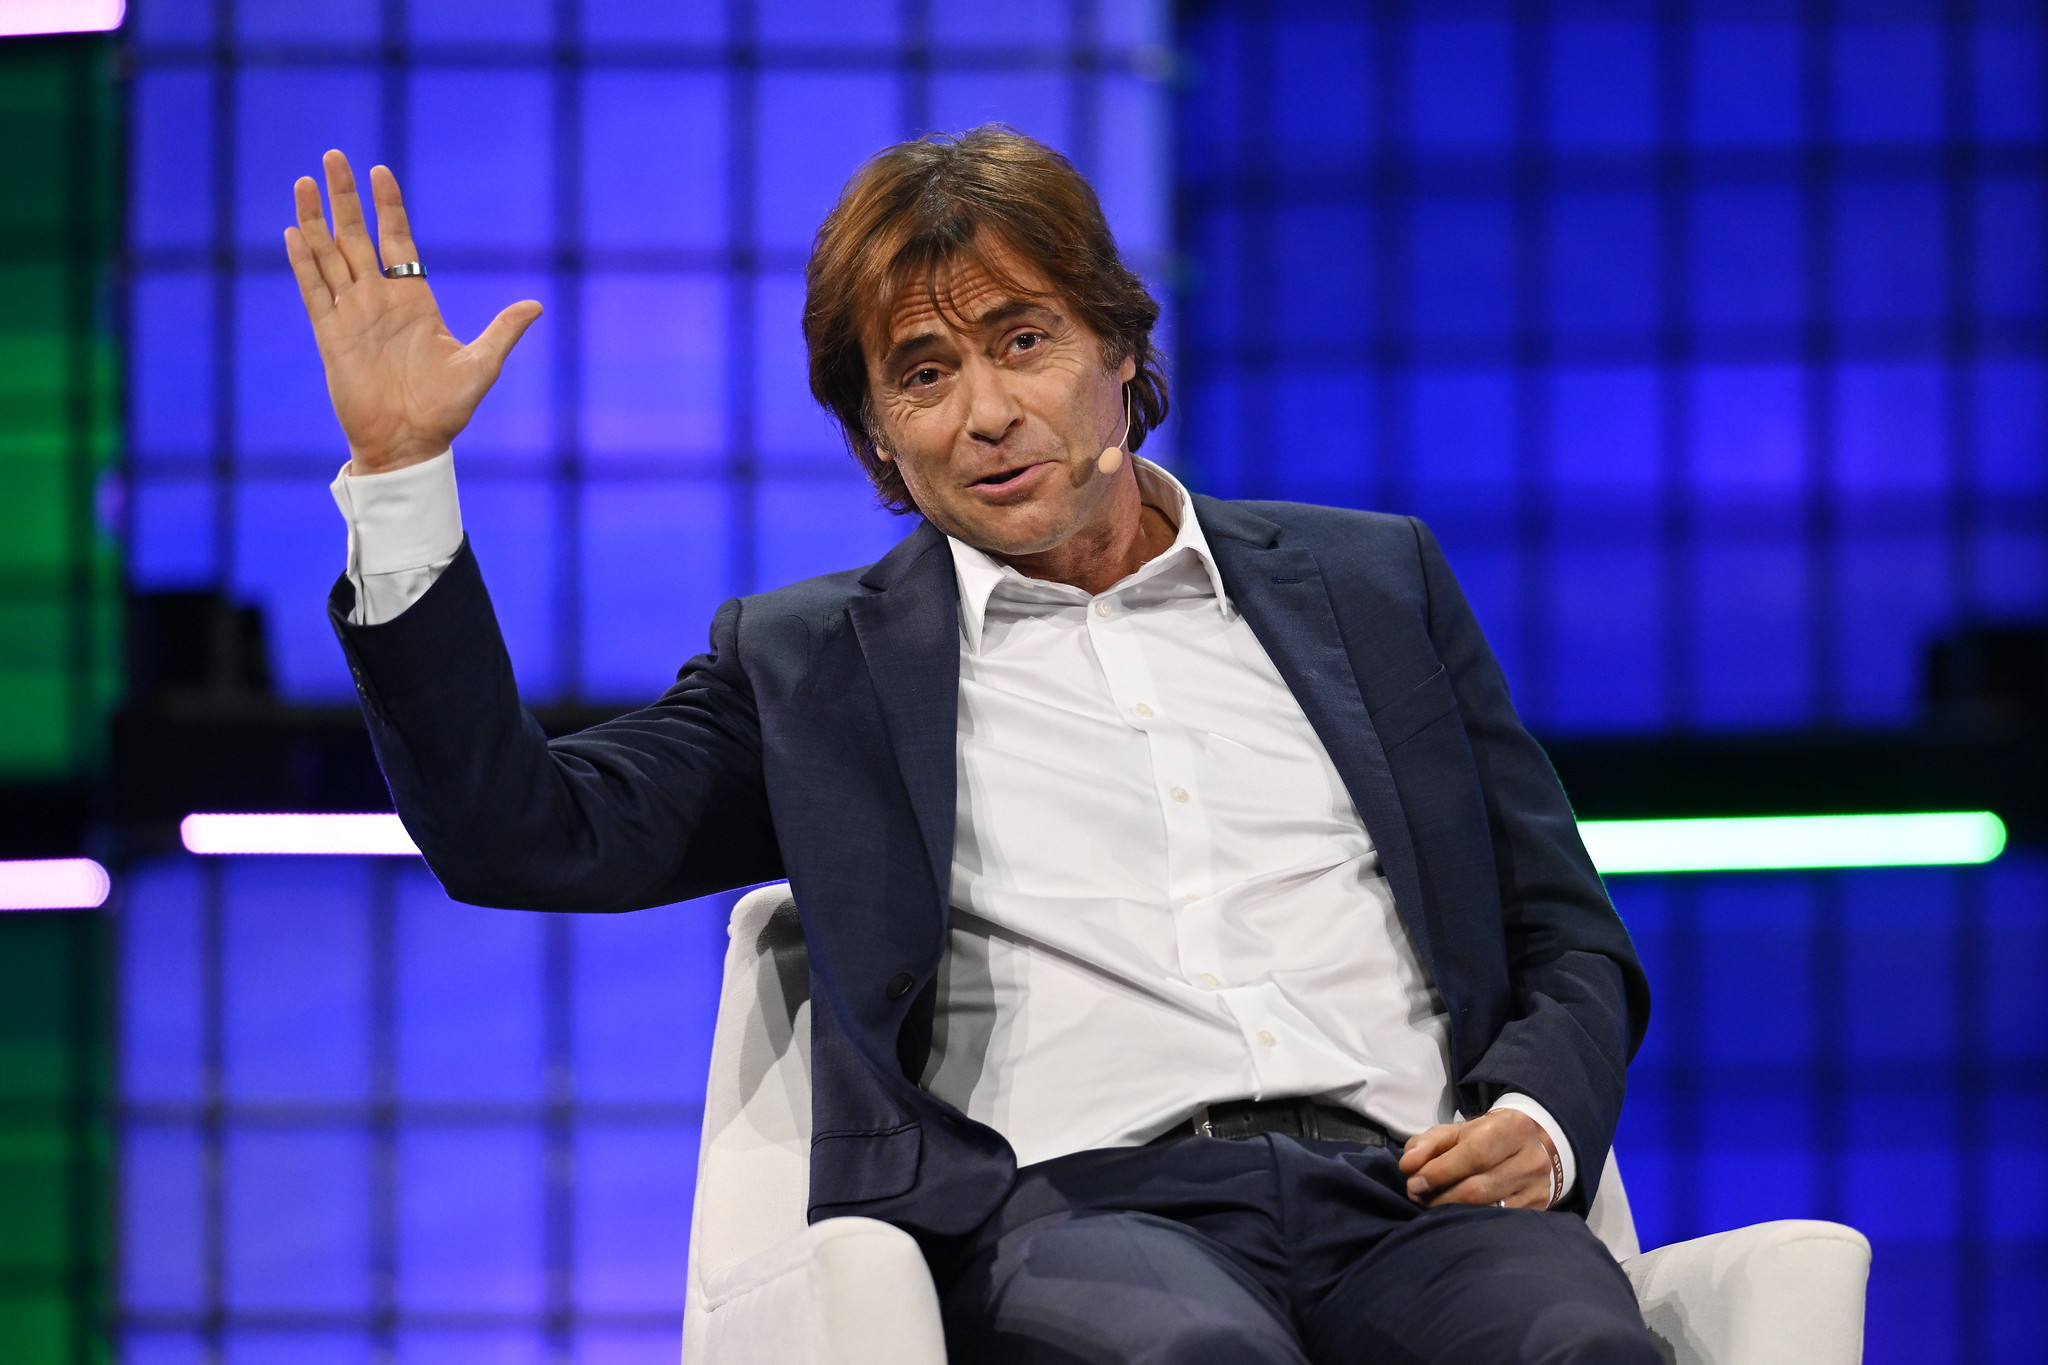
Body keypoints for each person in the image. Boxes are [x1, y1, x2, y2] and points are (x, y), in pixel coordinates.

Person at [287, 126, 1659, 1364]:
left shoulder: (1374, 584)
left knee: (1580, 1348)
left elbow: (1567, 930)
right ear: (880, 436)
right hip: (1083, 1216)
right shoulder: (815, 664)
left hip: (1412, 1194)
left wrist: (1537, 1117)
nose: (987, 411)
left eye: (1024, 340)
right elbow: (526, 831)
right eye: (924, 374)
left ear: (1117, 348)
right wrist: (405, 479)